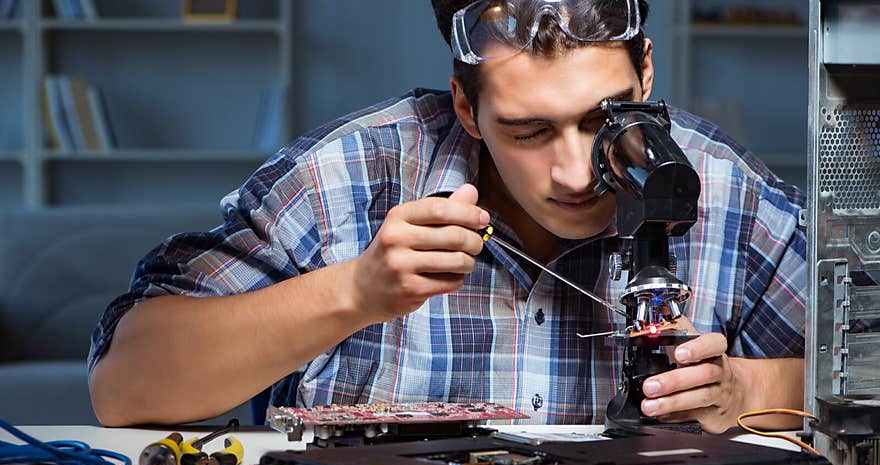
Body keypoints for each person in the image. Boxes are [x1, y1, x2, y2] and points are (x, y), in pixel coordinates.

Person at [88, 0, 807, 433]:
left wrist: (750, 391)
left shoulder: (723, 188)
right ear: (465, 108)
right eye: (527, 131)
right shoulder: (352, 176)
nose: (573, 171)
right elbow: (124, 385)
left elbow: (863, 376)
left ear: (646, 73)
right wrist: (353, 293)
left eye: (603, 119)